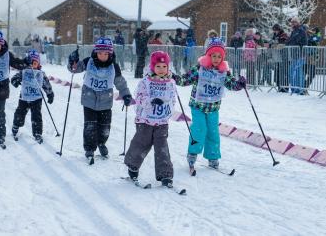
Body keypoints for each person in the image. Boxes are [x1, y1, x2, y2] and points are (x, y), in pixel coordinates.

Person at [173, 38, 246, 173]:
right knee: (199, 129)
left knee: (213, 132)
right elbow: (185, 80)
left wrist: (239, 84)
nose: (216, 59)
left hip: (213, 108)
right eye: (214, 56)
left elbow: (231, 84)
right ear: (208, 55)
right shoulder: (200, 68)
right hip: (198, 106)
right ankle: (192, 154)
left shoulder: (223, 71)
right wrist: (175, 78)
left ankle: (213, 157)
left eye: (219, 56)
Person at [67, 37, 132, 161]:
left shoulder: (114, 67)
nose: (103, 55)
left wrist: (126, 95)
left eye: (106, 53)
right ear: (96, 52)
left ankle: (101, 143)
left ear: (110, 53)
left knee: (105, 127)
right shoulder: (88, 62)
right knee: (90, 126)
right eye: (100, 53)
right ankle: (90, 149)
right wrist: (72, 61)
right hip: (89, 100)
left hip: (105, 102)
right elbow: (74, 69)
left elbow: (120, 83)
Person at [124, 51, 176, 187]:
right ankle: (133, 167)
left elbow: (172, 99)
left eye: (164, 67)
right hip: (145, 121)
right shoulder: (145, 81)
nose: (161, 70)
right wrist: (151, 101)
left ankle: (165, 175)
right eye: (158, 66)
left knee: (162, 148)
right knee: (141, 144)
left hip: (162, 122)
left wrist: (168, 109)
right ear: (153, 67)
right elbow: (139, 98)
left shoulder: (170, 82)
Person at [11, 49, 54, 143]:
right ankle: (16, 126)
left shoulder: (40, 74)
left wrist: (50, 94)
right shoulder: (24, 71)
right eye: (32, 62)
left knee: (36, 116)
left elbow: (46, 84)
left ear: (38, 63)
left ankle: (37, 133)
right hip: (24, 97)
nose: (34, 64)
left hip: (36, 98)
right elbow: (15, 78)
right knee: (20, 113)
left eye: (36, 62)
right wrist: (15, 81)